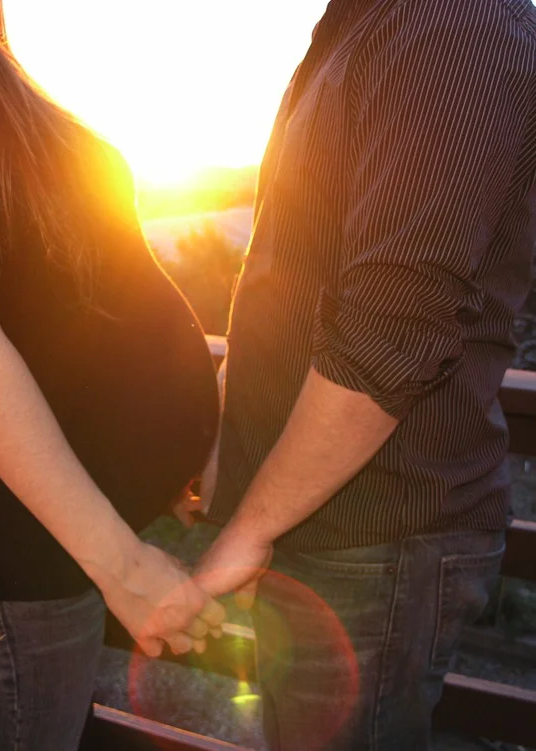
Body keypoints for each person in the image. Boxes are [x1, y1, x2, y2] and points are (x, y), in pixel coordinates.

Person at [0, 1, 225, 748]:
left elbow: (66, 303)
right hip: (11, 556)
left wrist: (178, 438)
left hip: (45, 541)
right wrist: (125, 568)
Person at [194, 1, 536, 749]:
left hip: (375, 534)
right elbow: (287, 280)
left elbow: (393, 329)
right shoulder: (365, 25)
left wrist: (250, 529)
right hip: (322, 519)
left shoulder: (451, 26)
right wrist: (229, 447)